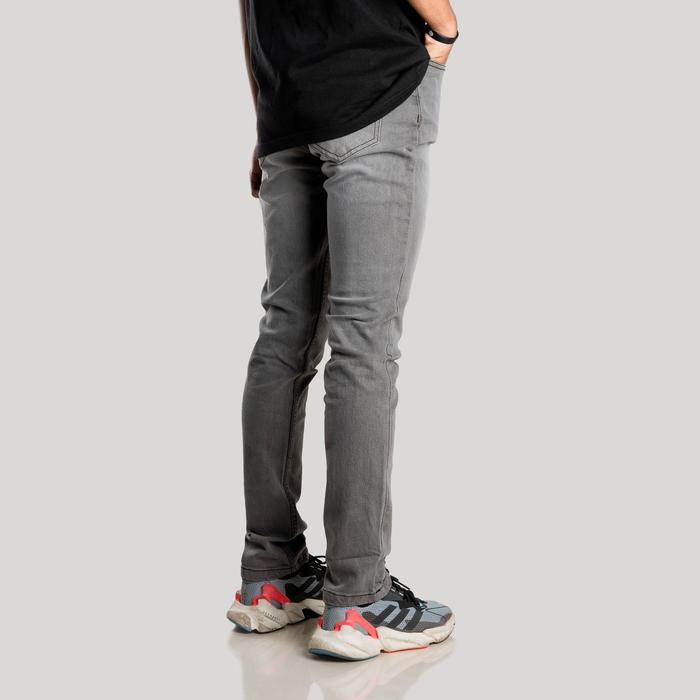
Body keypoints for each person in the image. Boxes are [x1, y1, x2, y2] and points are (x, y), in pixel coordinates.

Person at [227, 0, 459, 661]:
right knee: (364, 345)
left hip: (287, 105)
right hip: (372, 89)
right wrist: (445, 27)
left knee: (284, 339)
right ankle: (359, 598)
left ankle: (269, 577)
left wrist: (267, 115)